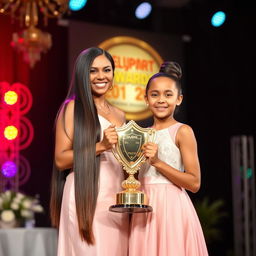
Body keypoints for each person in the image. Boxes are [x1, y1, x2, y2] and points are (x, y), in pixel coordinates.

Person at [50, 47, 129, 256]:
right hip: (85, 197)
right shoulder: (72, 108)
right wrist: (100, 146)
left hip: (116, 198)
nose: (101, 76)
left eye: (107, 69)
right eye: (93, 71)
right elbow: (60, 159)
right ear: (82, 74)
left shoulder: (120, 115)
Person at [129, 61, 208, 255]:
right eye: (154, 94)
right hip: (144, 206)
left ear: (179, 99)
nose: (161, 100)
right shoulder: (139, 134)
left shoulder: (182, 131)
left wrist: (157, 162)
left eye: (168, 94)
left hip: (172, 209)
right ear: (145, 98)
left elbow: (194, 182)